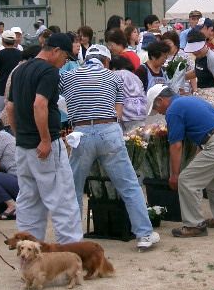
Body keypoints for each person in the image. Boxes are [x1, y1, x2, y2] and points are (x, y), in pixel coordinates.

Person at [60, 44, 160, 250]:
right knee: (129, 185)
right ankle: (144, 234)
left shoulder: (69, 76)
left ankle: (72, 239)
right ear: (106, 61)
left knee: (74, 188)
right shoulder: (114, 77)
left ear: (86, 59)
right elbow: (119, 111)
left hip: (81, 133)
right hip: (110, 131)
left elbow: (59, 100)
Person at [5, 33, 83, 244]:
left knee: (29, 201)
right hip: (45, 146)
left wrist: (18, 134)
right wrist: (46, 139)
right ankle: (71, 252)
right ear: (56, 51)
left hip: (23, 145)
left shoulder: (20, 70)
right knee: (63, 200)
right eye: (65, 57)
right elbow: (40, 104)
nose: (64, 62)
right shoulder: (49, 71)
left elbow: (10, 107)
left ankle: (28, 254)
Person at [147, 85, 214, 237]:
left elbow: (176, 145)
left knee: (186, 180)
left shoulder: (173, 110)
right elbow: (205, 132)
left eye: (156, 107)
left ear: (161, 100)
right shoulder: (190, 100)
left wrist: (174, 175)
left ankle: (194, 225)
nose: (159, 111)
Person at [184, 30, 214, 109]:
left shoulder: (212, 58)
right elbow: (197, 71)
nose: (195, 52)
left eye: (197, 49)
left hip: (213, 96)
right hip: (202, 95)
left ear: (204, 44)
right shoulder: (199, 57)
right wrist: (180, 76)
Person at [0, 119, 18, 221]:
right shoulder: (5, 135)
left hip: (18, 181)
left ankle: (12, 206)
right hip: (23, 182)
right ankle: (10, 205)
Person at [109, 56, 147, 133]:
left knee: (127, 140)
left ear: (114, 66)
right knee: (138, 140)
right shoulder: (136, 77)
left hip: (125, 114)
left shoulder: (115, 74)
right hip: (140, 111)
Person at [0, 30, 22, 115]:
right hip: (15, 87)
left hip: (1, 86)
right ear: (14, 41)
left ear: (3, 41)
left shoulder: (0, 54)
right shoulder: (20, 53)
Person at [161, 30, 196, 94]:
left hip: (183, 91)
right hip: (167, 92)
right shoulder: (162, 56)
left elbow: (192, 74)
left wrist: (195, 90)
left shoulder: (184, 56)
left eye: (169, 43)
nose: (166, 46)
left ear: (175, 43)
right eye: (164, 44)